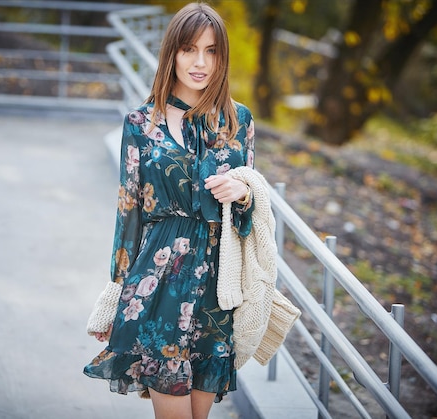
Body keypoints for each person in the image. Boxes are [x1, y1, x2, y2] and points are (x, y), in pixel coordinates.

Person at [83, 3, 256, 418]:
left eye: (211, 51)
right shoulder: (141, 124)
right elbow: (128, 213)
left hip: (217, 294)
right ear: (171, 54)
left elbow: (250, 218)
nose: (200, 62)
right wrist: (115, 291)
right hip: (158, 286)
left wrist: (243, 192)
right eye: (189, 49)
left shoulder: (239, 121)